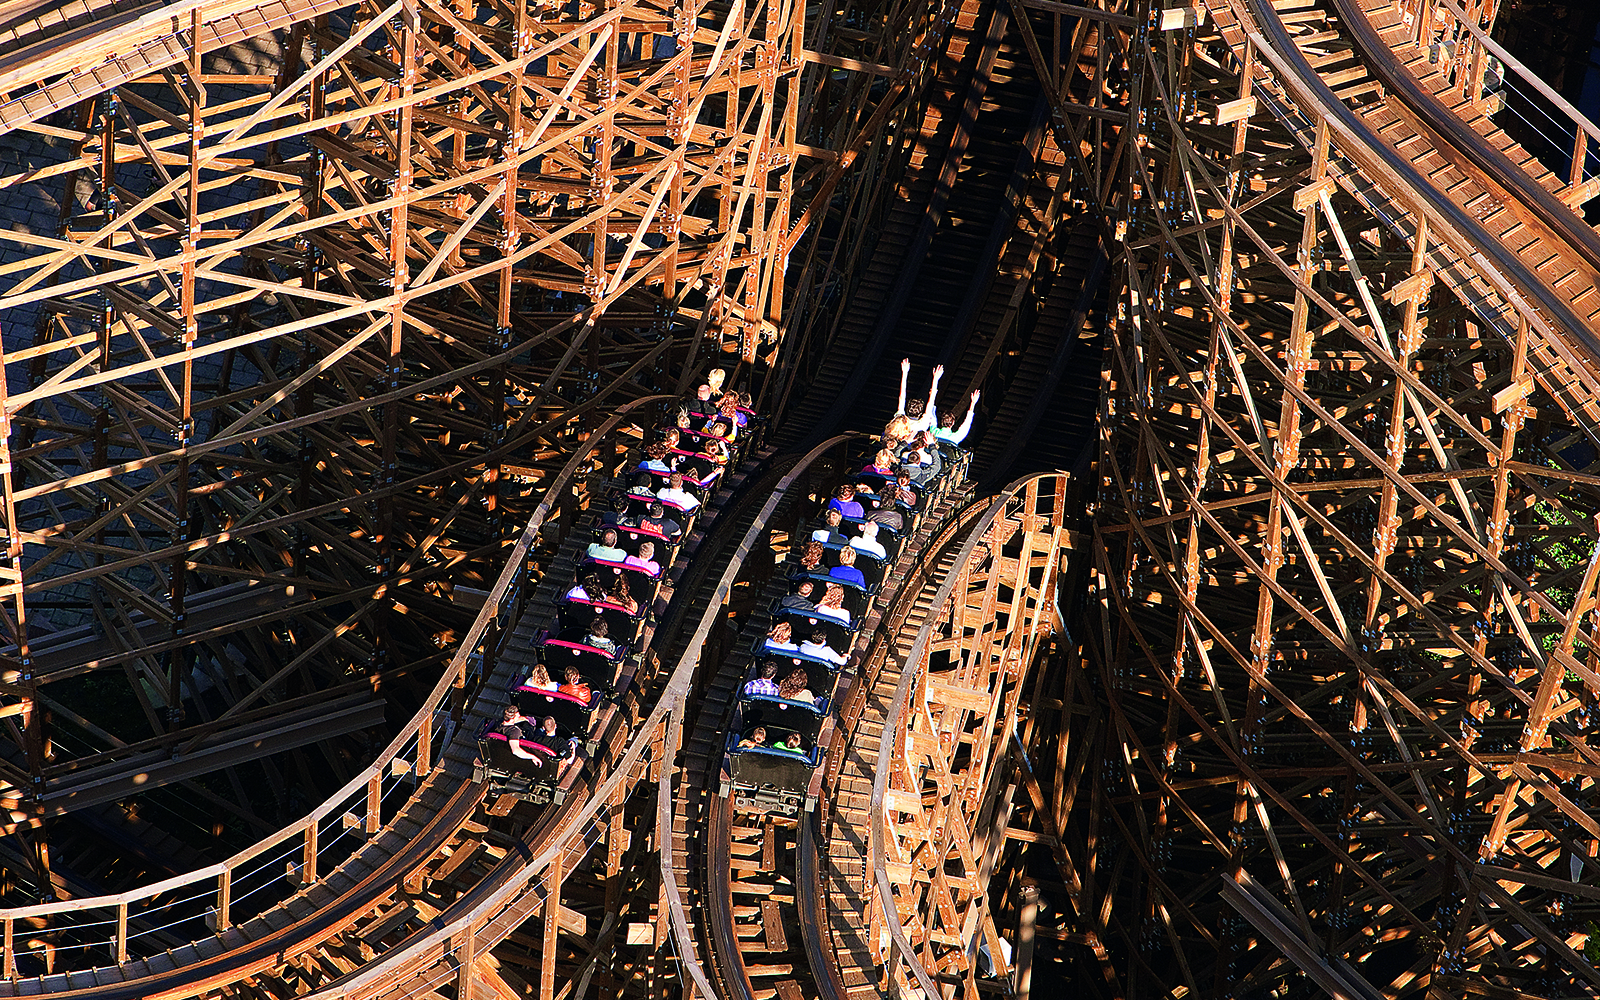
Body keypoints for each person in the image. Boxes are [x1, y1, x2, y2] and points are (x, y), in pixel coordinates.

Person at [895, 359, 942, 435]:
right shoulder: (923, 424)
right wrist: (935, 379)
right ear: (920, 413)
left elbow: (901, 397)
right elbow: (930, 402)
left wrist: (905, 373)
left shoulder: (900, 420)